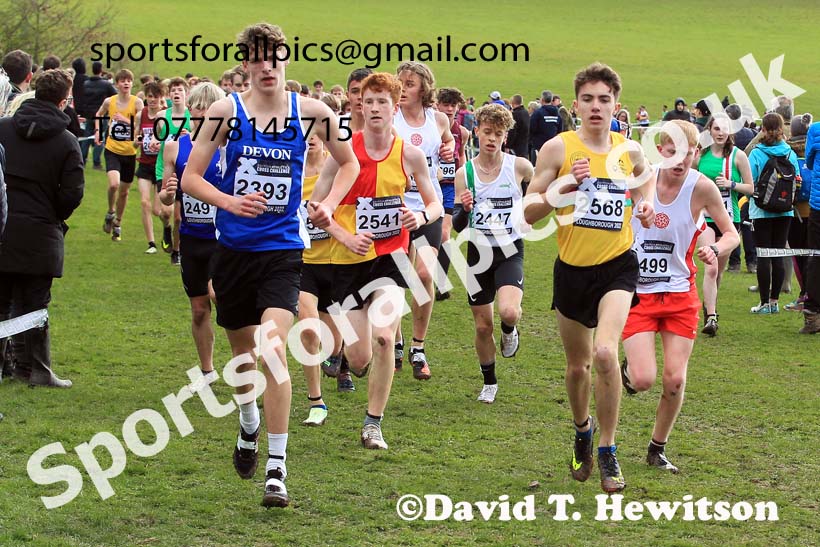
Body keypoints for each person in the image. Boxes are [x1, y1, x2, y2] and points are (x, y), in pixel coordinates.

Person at [181, 22, 359, 508]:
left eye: (273, 57)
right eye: (256, 58)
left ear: (285, 58)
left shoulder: (315, 112)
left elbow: (349, 164)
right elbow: (191, 178)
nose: (266, 66)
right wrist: (230, 202)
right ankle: (247, 424)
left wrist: (327, 203)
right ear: (245, 64)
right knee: (244, 360)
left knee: (272, 346)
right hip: (233, 254)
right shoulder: (224, 112)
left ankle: (277, 470)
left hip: (282, 253)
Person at [524, 62, 656, 493]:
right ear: (575, 104)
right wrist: (565, 187)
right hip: (571, 271)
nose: (596, 107)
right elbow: (528, 212)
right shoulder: (558, 150)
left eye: (604, 99)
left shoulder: (627, 150)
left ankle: (608, 449)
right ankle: (582, 429)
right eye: (588, 99)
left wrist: (646, 204)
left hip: (617, 265)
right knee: (578, 366)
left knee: (604, 353)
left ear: (616, 104)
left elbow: (644, 182)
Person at [315, 71, 442, 449]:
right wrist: (343, 235)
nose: (373, 108)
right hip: (348, 261)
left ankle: (373, 423)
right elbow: (316, 208)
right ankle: (357, 361)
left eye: (381, 102)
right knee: (357, 359)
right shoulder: (343, 152)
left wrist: (419, 217)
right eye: (368, 101)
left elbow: (435, 202)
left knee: (386, 337)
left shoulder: (409, 154)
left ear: (394, 106)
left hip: (392, 258)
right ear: (360, 105)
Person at [621, 120, 739, 474]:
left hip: (679, 294)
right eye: (670, 151)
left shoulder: (702, 188)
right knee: (643, 379)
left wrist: (715, 248)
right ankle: (628, 370)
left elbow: (732, 234)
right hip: (638, 292)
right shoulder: (643, 179)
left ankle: (657, 448)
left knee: (674, 379)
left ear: (696, 153)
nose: (679, 159)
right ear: (660, 151)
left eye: (686, 152)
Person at [0, 69, 84, 388]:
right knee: (35, 304)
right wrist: (53, 215)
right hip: (41, 229)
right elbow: (72, 192)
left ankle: (6, 366)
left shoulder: (3, 129)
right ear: (63, 101)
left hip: (3, 226)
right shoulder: (66, 142)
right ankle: (35, 368)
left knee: (2, 300)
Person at [452, 104, 533, 403]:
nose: (491, 138)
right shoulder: (466, 173)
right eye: (486, 132)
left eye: (498, 134)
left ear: (505, 136)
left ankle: (510, 330)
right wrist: (465, 209)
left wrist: (528, 211)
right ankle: (489, 382)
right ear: (477, 131)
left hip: (510, 249)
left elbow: (537, 191)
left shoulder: (520, 167)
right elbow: (459, 225)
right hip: (478, 252)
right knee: (483, 326)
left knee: (509, 311)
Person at [159, 82, 225, 390]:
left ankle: (247, 353)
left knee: (218, 294)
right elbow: (165, 199)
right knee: (199, 310)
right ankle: (207, 369)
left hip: (224, 238)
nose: (199, 113)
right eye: (196, 107)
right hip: (191, 238)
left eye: (207, 108)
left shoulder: (229, 149)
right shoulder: (175, 147)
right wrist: (168, 194)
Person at [393, 61, 454, 380]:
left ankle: (418, 346)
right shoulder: (391, 117)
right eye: (400, 82)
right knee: (396, 279)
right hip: (396, 207)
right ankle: (397, 342)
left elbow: (451, 145)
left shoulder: (438, 118)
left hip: (428, 208)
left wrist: (450, 148)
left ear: (424, 88)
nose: (403, 88)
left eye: (410, 83)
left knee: (423, 273)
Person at [694, 115, 753, 335]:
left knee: (718, 272)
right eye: (716, 129)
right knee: (710, 267)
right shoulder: (701, 155)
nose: (720, 133)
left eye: (724, 129)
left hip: (729, 219)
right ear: (709, 130)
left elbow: (751, 188)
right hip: (705, 218)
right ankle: (711, 317)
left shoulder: (738, 156)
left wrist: (731, 184)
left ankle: (711, 305)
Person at [747, 113, 799, 314]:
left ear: (762, 129)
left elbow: (750, 181)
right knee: (778, 254)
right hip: (785, 210)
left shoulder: (757, 153)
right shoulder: (789, 152)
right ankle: (775, 301)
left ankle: (764, 303)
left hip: (761, 210)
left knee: (763, 256)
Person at [95, 69, 144, 243]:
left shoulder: (137, 103)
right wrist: (97, 131)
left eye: (129, 80)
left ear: (132, 83)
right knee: (114, 185)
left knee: (124, 192)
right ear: (117, 84)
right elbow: (99, 114)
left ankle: (118, 223)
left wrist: (125, 121)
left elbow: (143, 125)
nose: (126, 83)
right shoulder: (110, 101)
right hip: (112, 149)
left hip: (129, 152)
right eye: (122, 80)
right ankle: (110, 212)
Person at [434, 87, 469, 302]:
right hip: (427, 187)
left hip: (448, 188)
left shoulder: (462, 132)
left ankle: (441, 284)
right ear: (437, 105)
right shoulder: (431, 126)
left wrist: (462, 182)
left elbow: (462, 155)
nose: (449, 109)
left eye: (453, 105)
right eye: (445, 104)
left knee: (445, 234)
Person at [135, 81, 173, 254]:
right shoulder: (140, 115)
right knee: (144, 202)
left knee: (160, 211)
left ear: (161, 98)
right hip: (144, 163)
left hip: (160, 166)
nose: (152, 100)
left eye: (156, 97)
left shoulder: (165, 116)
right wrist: (138, 141)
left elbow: (171, 139)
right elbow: (135, 139)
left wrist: (161, 144)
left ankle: (167, 228)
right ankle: (151, 243)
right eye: (149, 96)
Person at [802, 117, 820, 333]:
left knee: (815, 257)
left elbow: (808, 160)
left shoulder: (815, 130)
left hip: (817, 205)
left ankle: (812, 314)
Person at [82, 62, 117, 169]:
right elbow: (115, 96)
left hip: (88, 114)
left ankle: (82, 159)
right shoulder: (106, 85)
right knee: (99, 138)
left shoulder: (86, 84)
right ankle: (96, 162)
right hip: (101, 114)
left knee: (86, 138)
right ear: (101, 70)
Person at [528, 90, 562, 164]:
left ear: (542, 100)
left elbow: (531, 128)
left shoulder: (537, 113)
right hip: (553, 147)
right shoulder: (557, 114)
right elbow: (560, 131)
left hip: (539, 147)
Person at [506, 94, 530, 158]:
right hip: (524, 147)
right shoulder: (526, 113)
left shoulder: (515, 115)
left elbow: (512, 131)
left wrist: (508, 146)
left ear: (513, 103)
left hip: (516, 148)